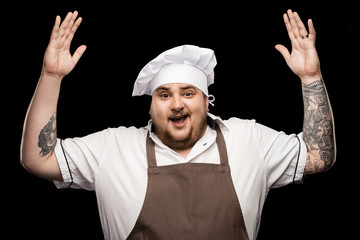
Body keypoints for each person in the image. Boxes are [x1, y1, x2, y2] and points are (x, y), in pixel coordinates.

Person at [20, 9, 336, 240]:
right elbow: (38, 159)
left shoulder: (248, 139)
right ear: (151, 105)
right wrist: (52, 76)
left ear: (207, 101)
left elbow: (318, 157)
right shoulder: (113, 147)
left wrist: (310, 78)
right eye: (164, 94)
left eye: (188, 93)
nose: (176, 104)